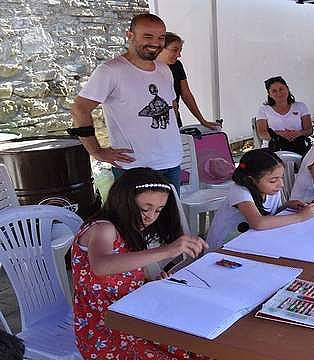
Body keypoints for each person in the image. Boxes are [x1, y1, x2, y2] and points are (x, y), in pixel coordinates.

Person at [71, 167, 208, 359]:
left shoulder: (131, 229)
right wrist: (168, 250)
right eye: (145, 208)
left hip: (133, 313)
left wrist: (150, 283)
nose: (151, 216)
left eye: (158, 210)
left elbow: (128, 271)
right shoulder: (103, 228)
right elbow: (101, 266)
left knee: (198, 343)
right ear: (124, 200)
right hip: (105, 328)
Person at [70, 14, 183, 190]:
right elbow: (79, 108)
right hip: (134, 166)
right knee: (135, 217)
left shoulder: (164, 69)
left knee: (170, 216)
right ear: (130, 36)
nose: (155, 42)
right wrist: (96, 151)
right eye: (147, 36)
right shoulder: (110, 71)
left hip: (171, 160)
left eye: (160, 37)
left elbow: (171, 106)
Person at [206, 149, 314, 247]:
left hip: (251, 240)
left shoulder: (271, 189)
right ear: (252, 179)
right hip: (225, 246)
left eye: (281, 178)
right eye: (273, 180)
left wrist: (286, 206)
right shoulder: (240, 191)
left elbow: (270, 214)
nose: (281, 184)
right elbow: (258, 222)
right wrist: (300, 217)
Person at [157, 32, 222, 130]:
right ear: (160, 48)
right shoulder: (147, 69)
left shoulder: (177, 66)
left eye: (180, 51)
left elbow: (186, 95)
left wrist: (202, 120)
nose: (179, 55)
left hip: (174, 120)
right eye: (175, 50)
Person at [255, 76, 313, 155]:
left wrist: (297, 134)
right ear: (269, 94)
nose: (279, 93)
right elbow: (262, 133)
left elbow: (309, 130)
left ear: (287, 89)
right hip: (273, 150)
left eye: (281, 89)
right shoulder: (263, 110)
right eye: (274, 91)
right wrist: (279, 135)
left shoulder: (301, 106)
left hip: (299, 146)